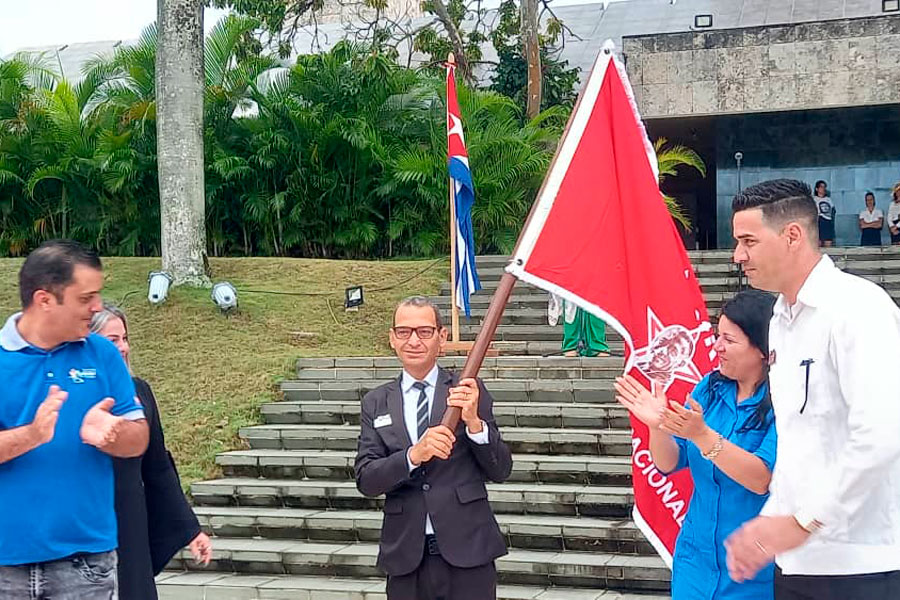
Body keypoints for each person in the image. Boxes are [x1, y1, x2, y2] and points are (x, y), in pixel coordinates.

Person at [727, 179, 900, 599]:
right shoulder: (780, 320)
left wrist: (802, 521)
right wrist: (771, 522)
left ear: (792, 236)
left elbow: (881, 435)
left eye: (748, 241)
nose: (737, 256)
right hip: (796, 564)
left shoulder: (857, 308)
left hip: (862, 565)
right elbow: (799, 444)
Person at [0, 240, 149, 599]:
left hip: (85, 566)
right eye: (85, 298)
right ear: (44, 300)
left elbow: (140, 437)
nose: (96, 307)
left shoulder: (103, 353)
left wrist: (115, 434)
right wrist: (32, 435)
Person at [615, 290, 777, 600]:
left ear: (762, 349)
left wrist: (703, 436)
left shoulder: (783, 403)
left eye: (729, 340)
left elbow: (761, 479)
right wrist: (657, 426)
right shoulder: (710, 388)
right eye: (717, 336)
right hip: (695, 560)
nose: (717, 346)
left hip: (754, 569)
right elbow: (669, 462)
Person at [354, 296, 512, 600]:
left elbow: (501, 469)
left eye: (424, 332)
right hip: (406, 557)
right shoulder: (375, 402)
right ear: (392, 338)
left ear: (442, 336)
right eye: (404, 331)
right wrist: (413, 455)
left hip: (469, 551)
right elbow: (366, 479)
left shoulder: (466, 390)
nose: (413, 341)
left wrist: (474, 423)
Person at [90, 304, 212, 599]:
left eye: (125, 338)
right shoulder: (73, 394)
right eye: (112, 340)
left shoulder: (139, 393)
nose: (123, 347)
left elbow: (158, 467)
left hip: (131, 520)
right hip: (88, 519)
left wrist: (190, 528)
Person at [813, 180, 835, 248]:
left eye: (824, 187)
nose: (823, 189)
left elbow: (833, 210)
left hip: (828, 221)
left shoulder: (828, 199)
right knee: (818, 242)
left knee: (828, 242)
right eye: (821, 187)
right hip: (819, 220)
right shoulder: (814, 199)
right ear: (817, 189)